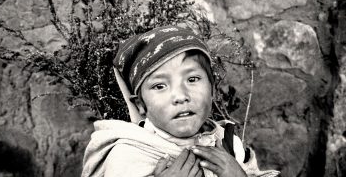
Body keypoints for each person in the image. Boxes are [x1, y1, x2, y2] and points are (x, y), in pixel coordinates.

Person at [82, 25, 280, 177]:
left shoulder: (228, 144)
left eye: (192, 79)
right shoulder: (127, 157)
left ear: (212, 89)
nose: (180, 96)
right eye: (160, 86)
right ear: (140, 105)